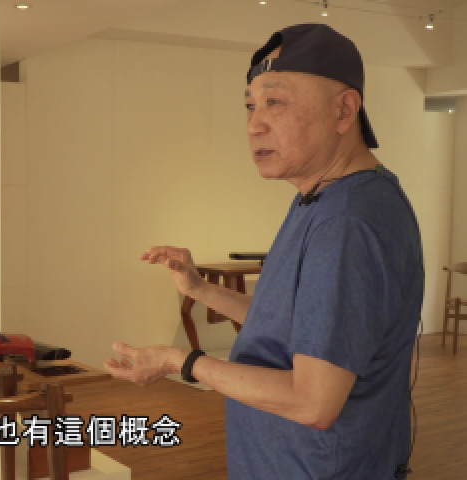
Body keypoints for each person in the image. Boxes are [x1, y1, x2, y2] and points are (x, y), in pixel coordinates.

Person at [104, 23, 423, 479]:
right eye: (251, 106)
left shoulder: (346, 223)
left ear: (344, 110)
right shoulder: (320, 198)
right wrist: (201, 289)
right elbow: (298, 325)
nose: (254, 125)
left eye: (275, 102)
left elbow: (313, 402)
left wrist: (180, 361)